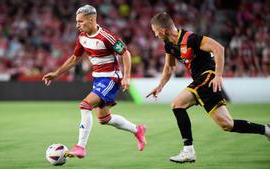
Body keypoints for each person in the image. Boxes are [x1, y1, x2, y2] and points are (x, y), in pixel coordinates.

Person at [147, 12, 270, 163]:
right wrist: (160, 86)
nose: (154, 35)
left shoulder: (191, 39)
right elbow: (169, 67)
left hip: (208, 76)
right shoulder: (169, 45)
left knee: (177, 104)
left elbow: (219, 48)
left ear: (162, 30)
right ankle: (266, 130)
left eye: (154, 31)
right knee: (227, 124)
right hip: (202, 82)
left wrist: (218, 75)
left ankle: (188, 150)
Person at [42, 5, 146, 159]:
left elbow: (126, 53)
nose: (77, 25)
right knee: (104, 119)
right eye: (76, 21)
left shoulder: (106, 36)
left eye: (80, 21)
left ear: (91, 20)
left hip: (111, 78)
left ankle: (80, 147)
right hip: (98, 78)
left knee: (85, 105)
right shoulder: (82, 37)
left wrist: (127, 77)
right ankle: (137, 130)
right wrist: (56, 73)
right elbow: (75, 58)